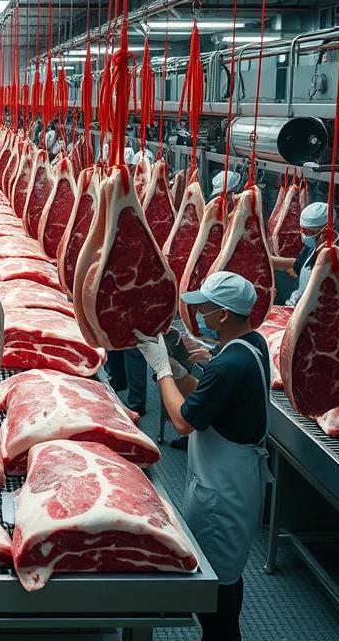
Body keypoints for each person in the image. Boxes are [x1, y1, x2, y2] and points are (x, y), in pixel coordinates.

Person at [137, 271, 271, 641]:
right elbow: (206, 399)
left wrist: (162, 368)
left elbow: (183, 421)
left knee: (217, 587)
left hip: (221, 489)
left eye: (204, 309)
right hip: (234, 477)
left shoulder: (229, 365)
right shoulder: (252, 345)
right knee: (226, 575)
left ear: (223, 315)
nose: (197, 315)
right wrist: (181, 369)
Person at [269, 201, 339, 309]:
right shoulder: (311, 247)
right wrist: (266, 259)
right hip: (297, 310)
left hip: (318, 319)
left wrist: (316, 308)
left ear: (325, 231)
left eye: (308, 232)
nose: (304, 235)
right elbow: (296, 265)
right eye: (302, 230)